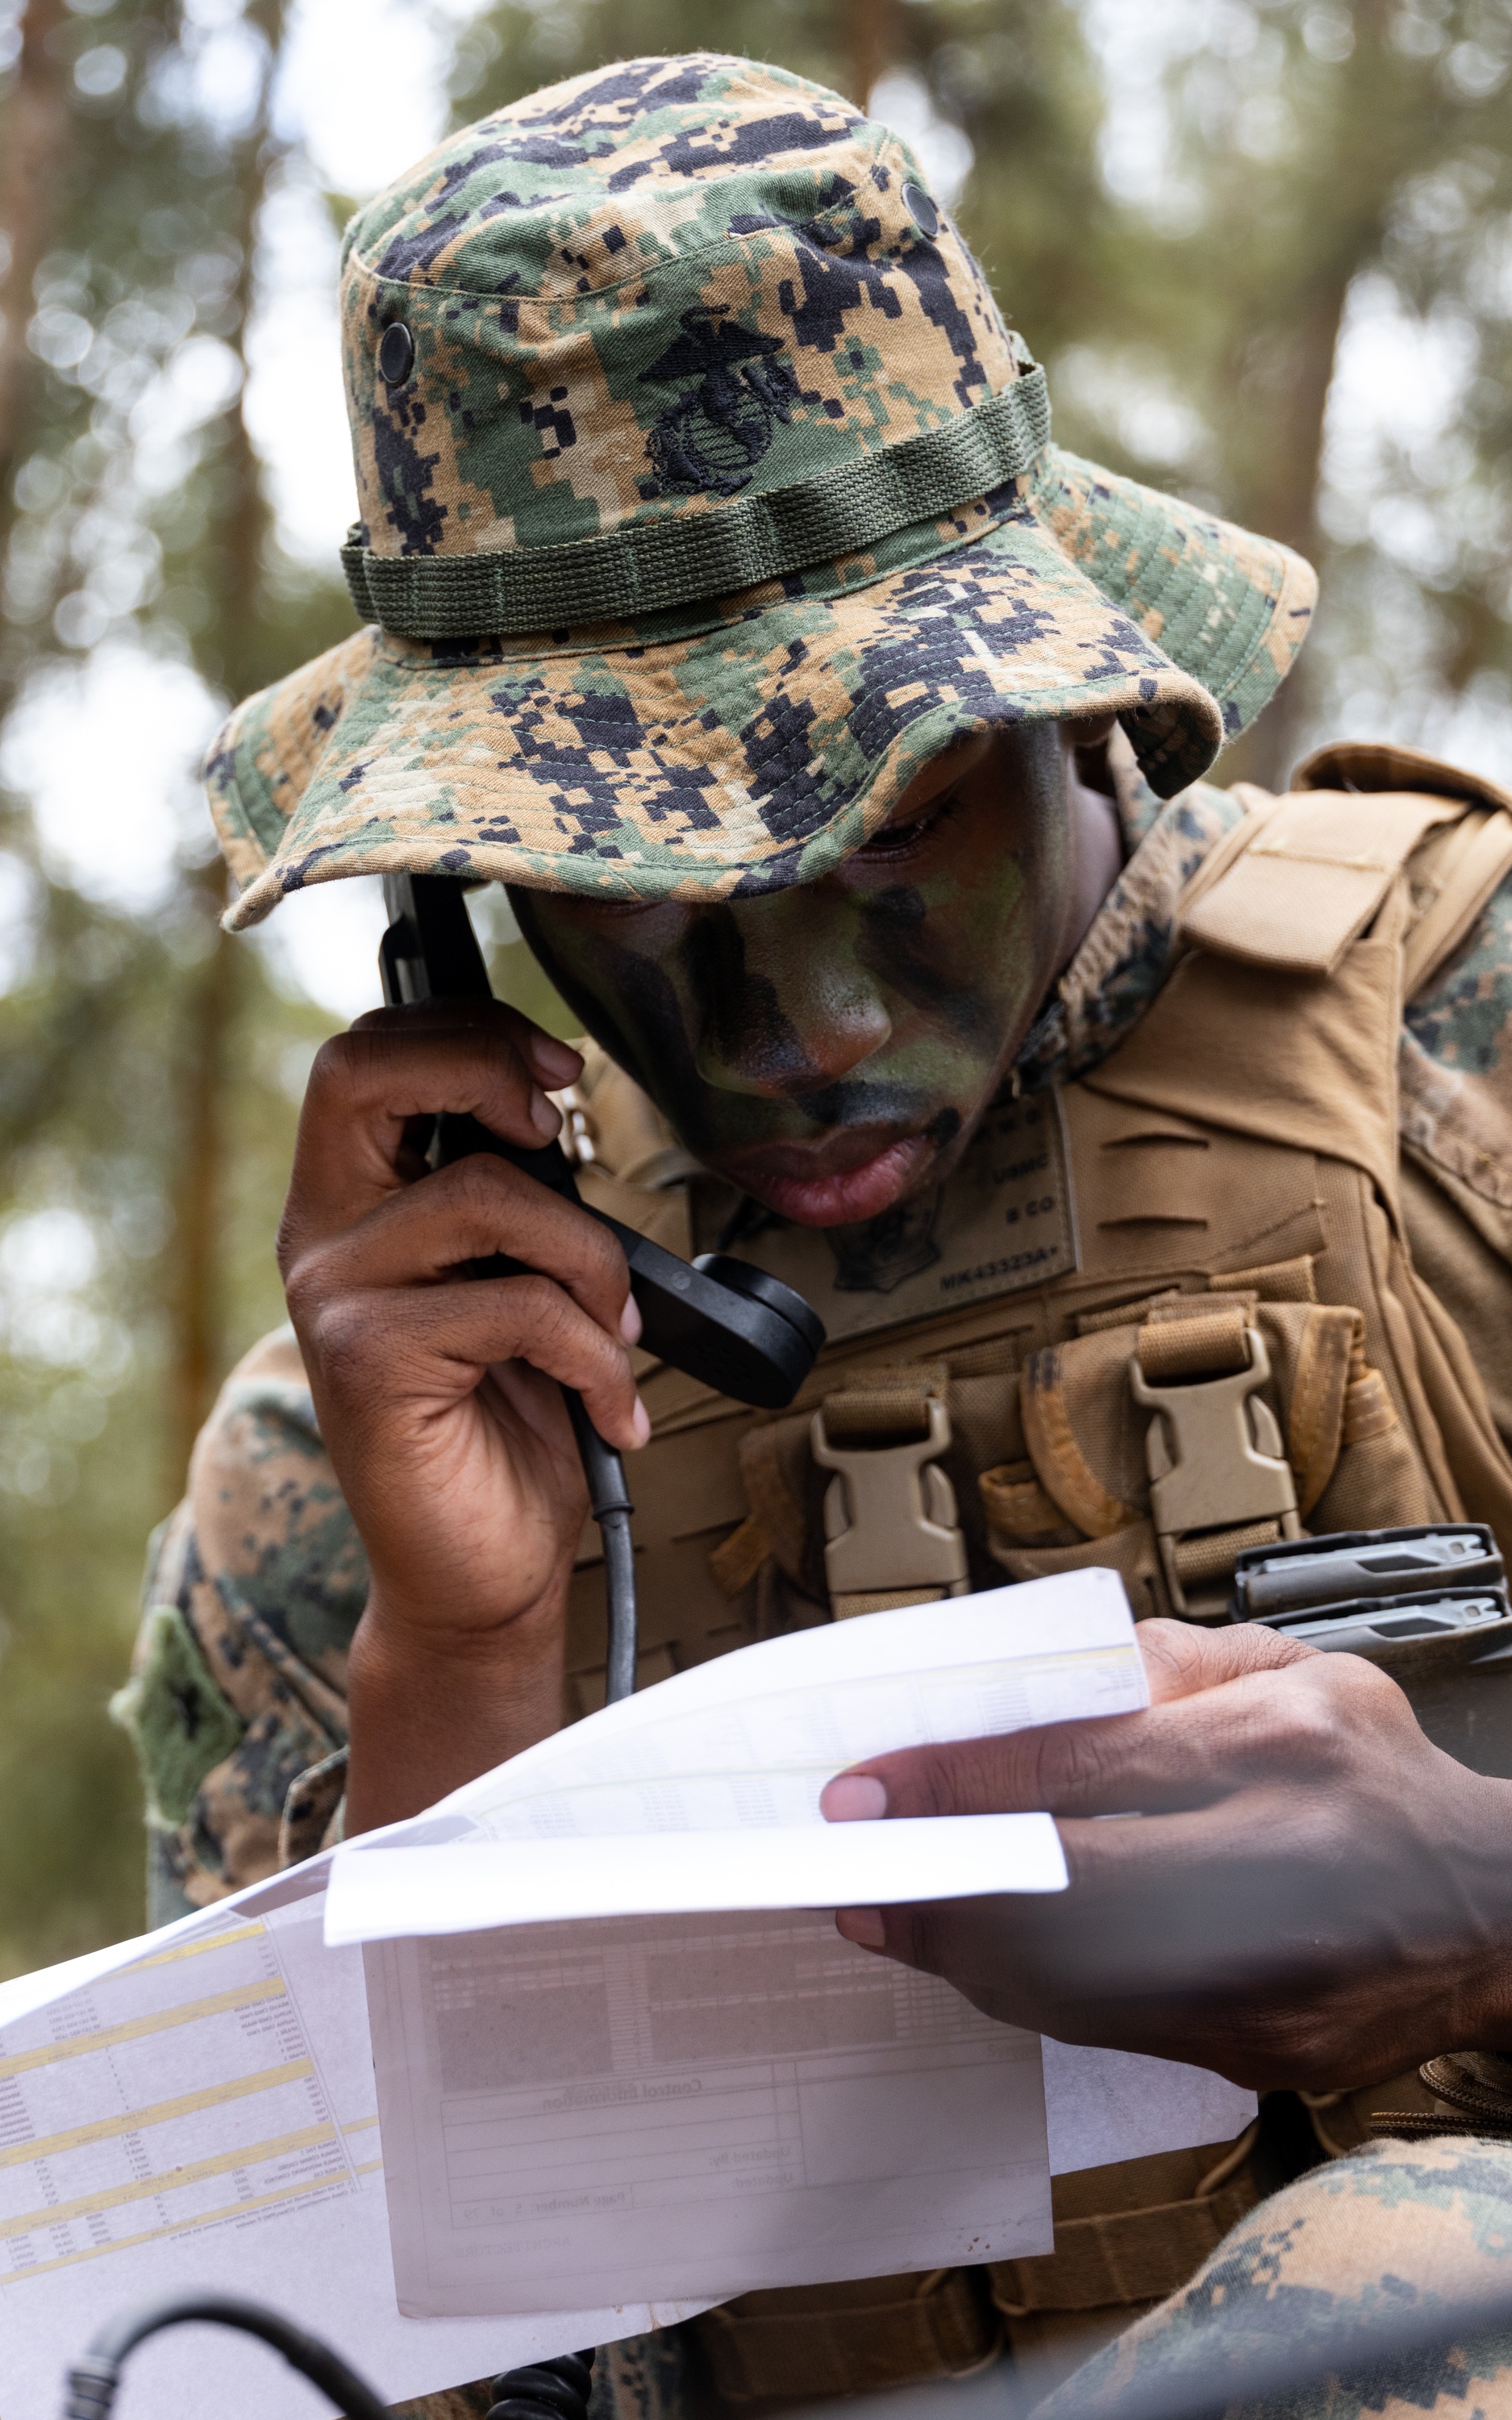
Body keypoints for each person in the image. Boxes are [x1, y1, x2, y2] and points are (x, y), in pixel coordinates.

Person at [112, 50, 1512, 2420]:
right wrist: (462, 1671)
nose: (802, 1024)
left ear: (1089, 707)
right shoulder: (357, 1453)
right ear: (461, 920)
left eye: (899, 830)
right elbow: (278, 2367)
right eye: (637, 902)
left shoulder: (1466, 1050)